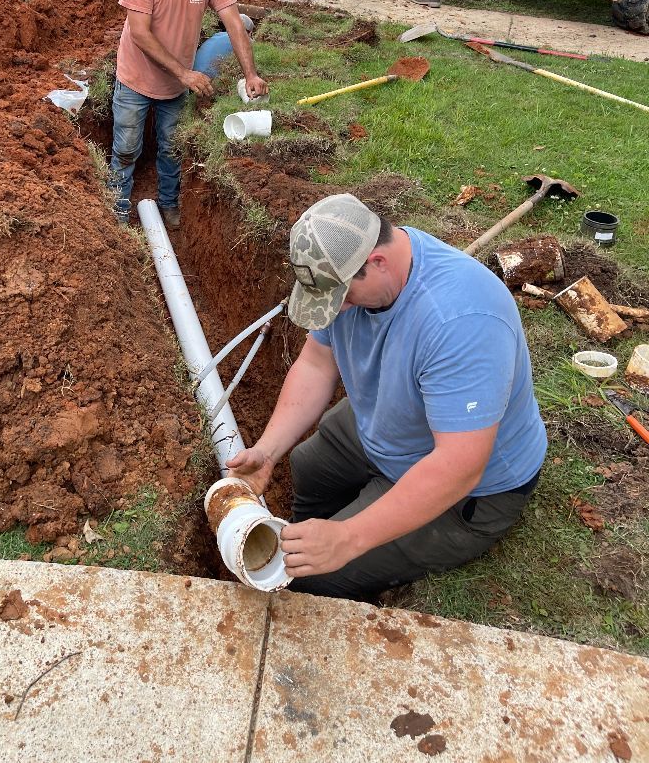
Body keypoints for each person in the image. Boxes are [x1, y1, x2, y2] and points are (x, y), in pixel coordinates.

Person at [227, 193, 547, 602]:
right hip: (391, 418)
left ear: (377, 261)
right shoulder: (347, 271)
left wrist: (348, 538)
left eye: (342, 298)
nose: (338, 310)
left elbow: (460, 465)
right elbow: (316, 365)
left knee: (316, 580)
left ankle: (324, 556)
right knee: (307, 466)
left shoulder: (463, 321)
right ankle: (307, 533)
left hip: (471, 489)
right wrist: (268, 451)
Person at [110, 0, 268, 229]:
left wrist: (250, 73)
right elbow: (139, 33)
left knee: (171, 147)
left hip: (175, 87)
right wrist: (184, 73)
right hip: (135, 78)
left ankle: (168, 204)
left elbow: (235, 24)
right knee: (126, 148)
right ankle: (117, 212)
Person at [193, 14, 255, 79]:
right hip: (207, 78)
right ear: (249, 32)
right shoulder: (242, 40)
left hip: (193, 73)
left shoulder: (219, 34)